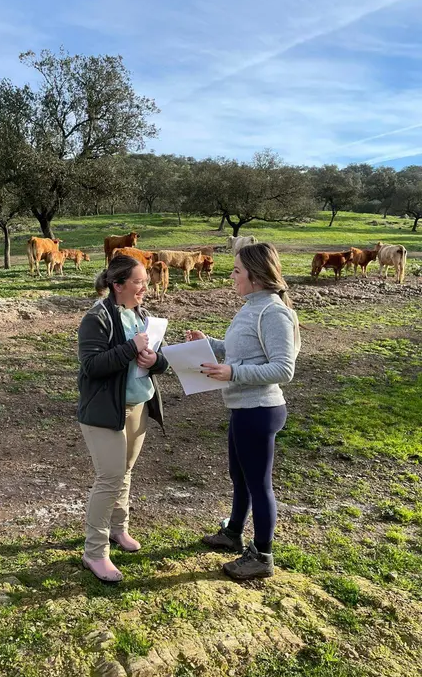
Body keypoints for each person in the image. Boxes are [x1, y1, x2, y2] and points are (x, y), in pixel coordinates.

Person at [186, 242, 300, 581]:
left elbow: (283, 369)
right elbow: (243, 350)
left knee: (259, 485)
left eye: (236, 271)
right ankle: (233, 532)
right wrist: (211, 344)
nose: (231, 276)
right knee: (241, 477)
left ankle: (262, 555)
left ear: (255, 276)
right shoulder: (252, 306)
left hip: (260, 410)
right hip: (243, 408)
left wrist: (233, 373)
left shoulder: (274, 312)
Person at [77, 254, 168, 583]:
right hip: (104, 412)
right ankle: (95, 552)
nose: (146, 287)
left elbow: (162, 361)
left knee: (125, 472)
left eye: (145, 280)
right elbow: (92, 366)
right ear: (117, 285)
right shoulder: (96, 318)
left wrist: (155, 359)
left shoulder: (141, 314)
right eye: (139, 282)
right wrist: (131, 349)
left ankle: (119, 529)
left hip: (138, 406)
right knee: (110, 477)